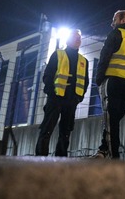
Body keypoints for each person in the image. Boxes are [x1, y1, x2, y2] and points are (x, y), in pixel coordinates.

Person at [90, 10, 125, 159]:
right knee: (115, 117)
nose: (112, 23)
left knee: (111, 118)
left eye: (114, 19)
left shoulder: (116, 34)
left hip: (113, 81)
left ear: (122, 20)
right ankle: (103, 149)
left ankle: (113, 156)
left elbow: (104, 57)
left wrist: (99, 79)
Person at [35, 29, 89, 157]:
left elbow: (85, 81)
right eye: (75, 37)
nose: (78, 39)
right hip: (56, 98)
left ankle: (61, 157)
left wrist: (79, 97)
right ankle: (41, 157)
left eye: (79, 38)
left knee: (66, 131)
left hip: (72, 100)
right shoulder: (58, 54)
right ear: (67, 40)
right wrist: (51, 93)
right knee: (47, 128)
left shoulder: (84, 60)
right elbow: (48, 75)